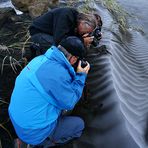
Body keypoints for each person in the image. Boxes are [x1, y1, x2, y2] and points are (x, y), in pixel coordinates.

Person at [8, 36, 90, 147]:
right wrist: (81, 75)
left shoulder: (40, 59)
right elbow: (70, 102)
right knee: (79, 125)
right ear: (74, 59)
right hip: (32, 132)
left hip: (15, 118)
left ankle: (24, 139)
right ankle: (41, 143)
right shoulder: (59, 74)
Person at [29, 7, 102, 55]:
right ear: (82, 22)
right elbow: (60, 41)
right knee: (61, 50)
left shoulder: (77, 21)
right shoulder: (66, 15)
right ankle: (37, 50)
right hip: (38, 32)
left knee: (71, 46)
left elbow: (69, 38)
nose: (85, 34)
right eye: (85, 32)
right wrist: (82, 41)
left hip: (53, 33)